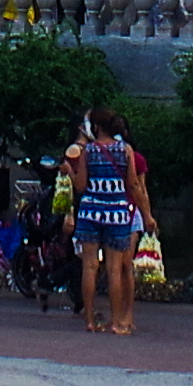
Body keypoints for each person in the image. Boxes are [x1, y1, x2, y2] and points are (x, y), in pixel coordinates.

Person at [64, 97, 145, 336]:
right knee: (114, 269)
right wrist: (147, 214)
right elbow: (133, 184)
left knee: (89, 266)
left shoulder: (88, 151)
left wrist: (70, 172)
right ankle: (117, 321)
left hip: (90, 211)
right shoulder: (125, 150)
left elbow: (80, 186)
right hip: (117, 213)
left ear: (97, 127)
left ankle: (90, 320)